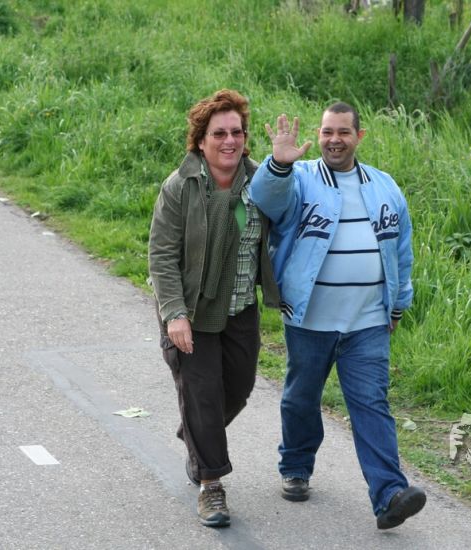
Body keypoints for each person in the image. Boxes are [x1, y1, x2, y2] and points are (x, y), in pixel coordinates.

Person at [248, 102, 425, 529]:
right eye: (327, 132)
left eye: (343, 132)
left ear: (359, 136)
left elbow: (400, 251)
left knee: (372, 403)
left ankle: (389, 494)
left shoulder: (384, 186)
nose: (334, 140)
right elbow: (265, 200)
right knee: (301, 398)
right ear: (319, 134)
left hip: (368, 321)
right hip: (310, 319)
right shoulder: (300, 178)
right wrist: (278, 164)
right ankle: (295, 465)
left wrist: (398, 304)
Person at [148, 89, 279, 528]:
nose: (230, 141)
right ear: (200, 141)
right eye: (219, 133)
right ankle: (211, 484)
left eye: (236, 132)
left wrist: (284, 163)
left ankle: (196, 434)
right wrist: (174, 314)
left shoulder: (260, 182)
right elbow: (162, 255)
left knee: (238, 389)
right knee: (202, 395)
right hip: (193, 311)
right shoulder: (180, 186)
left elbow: (288, 212)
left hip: (240, 307)